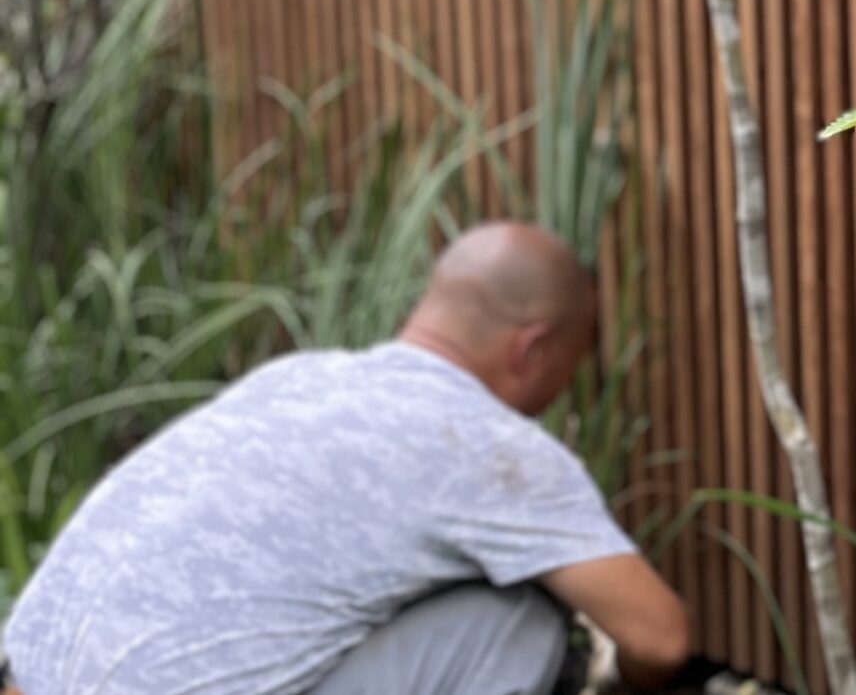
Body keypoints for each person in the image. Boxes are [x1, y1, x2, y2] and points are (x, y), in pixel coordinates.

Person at [2, 223, 692, 695]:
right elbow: (658, 636)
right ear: (532, 348)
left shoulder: (296, 379)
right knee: (520, 619)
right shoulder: (482, 442)